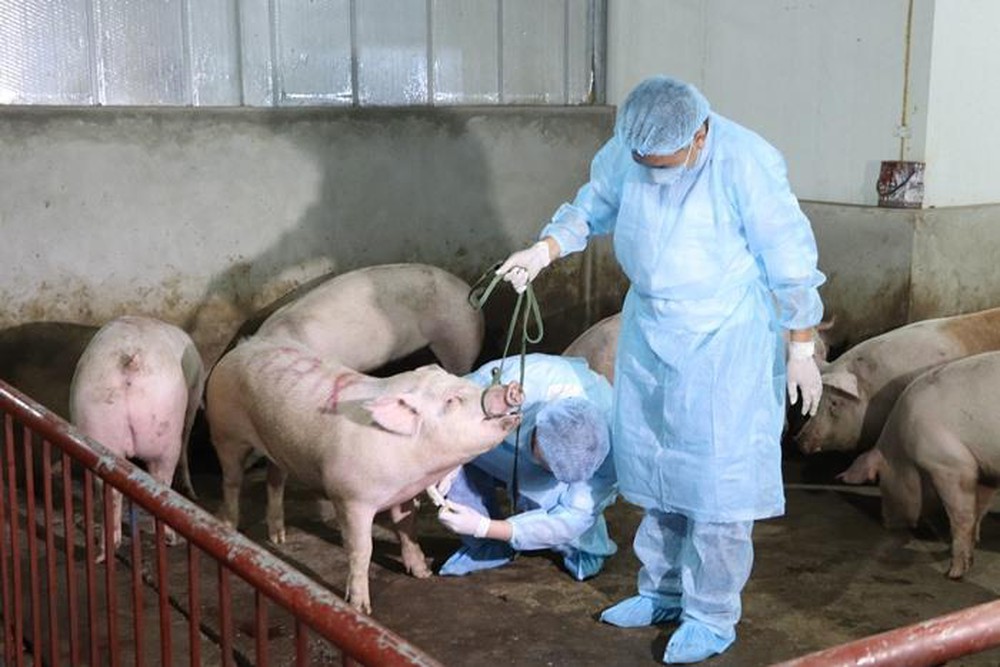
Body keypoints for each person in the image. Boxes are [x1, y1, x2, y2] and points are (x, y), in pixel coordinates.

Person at [495, 75, 825, 664]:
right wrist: (545, 250)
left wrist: (801, 345)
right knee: (656, 463)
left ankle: (711, 614)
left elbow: (789, 254)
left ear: (700, 135)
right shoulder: (630, 149)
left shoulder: (746, 161)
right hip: (651, 328)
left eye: (664, 165)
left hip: (725, 338)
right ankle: (662, 591)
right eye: (644, 163)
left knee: (716, 482)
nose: (652, 175)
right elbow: (593, 205)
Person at [435, 353, 617, 581]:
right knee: (446, 461)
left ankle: (580, 546)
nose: (539, 464)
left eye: (550, 468)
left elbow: (573, 517)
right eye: (538, 453)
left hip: (551, 460)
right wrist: (452, 456)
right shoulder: (529, 380)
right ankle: (488, 546)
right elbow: (449, 405)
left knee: (548, 499)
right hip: (493, 431)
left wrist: (484, 526)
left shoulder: (611, 458)